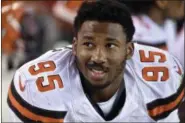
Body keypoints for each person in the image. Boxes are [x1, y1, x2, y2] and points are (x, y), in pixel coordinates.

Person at [7, 0, 184, 122]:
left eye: (110, 46)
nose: (98, 57)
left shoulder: (162, 78)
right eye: (89, 44)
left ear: (129, 50)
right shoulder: (36, 88)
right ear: (74, 46)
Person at [118, 0, 184, 51]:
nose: (183, 5)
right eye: (180, 1)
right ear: (162, 1)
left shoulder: (170, 25)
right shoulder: (132, 30)